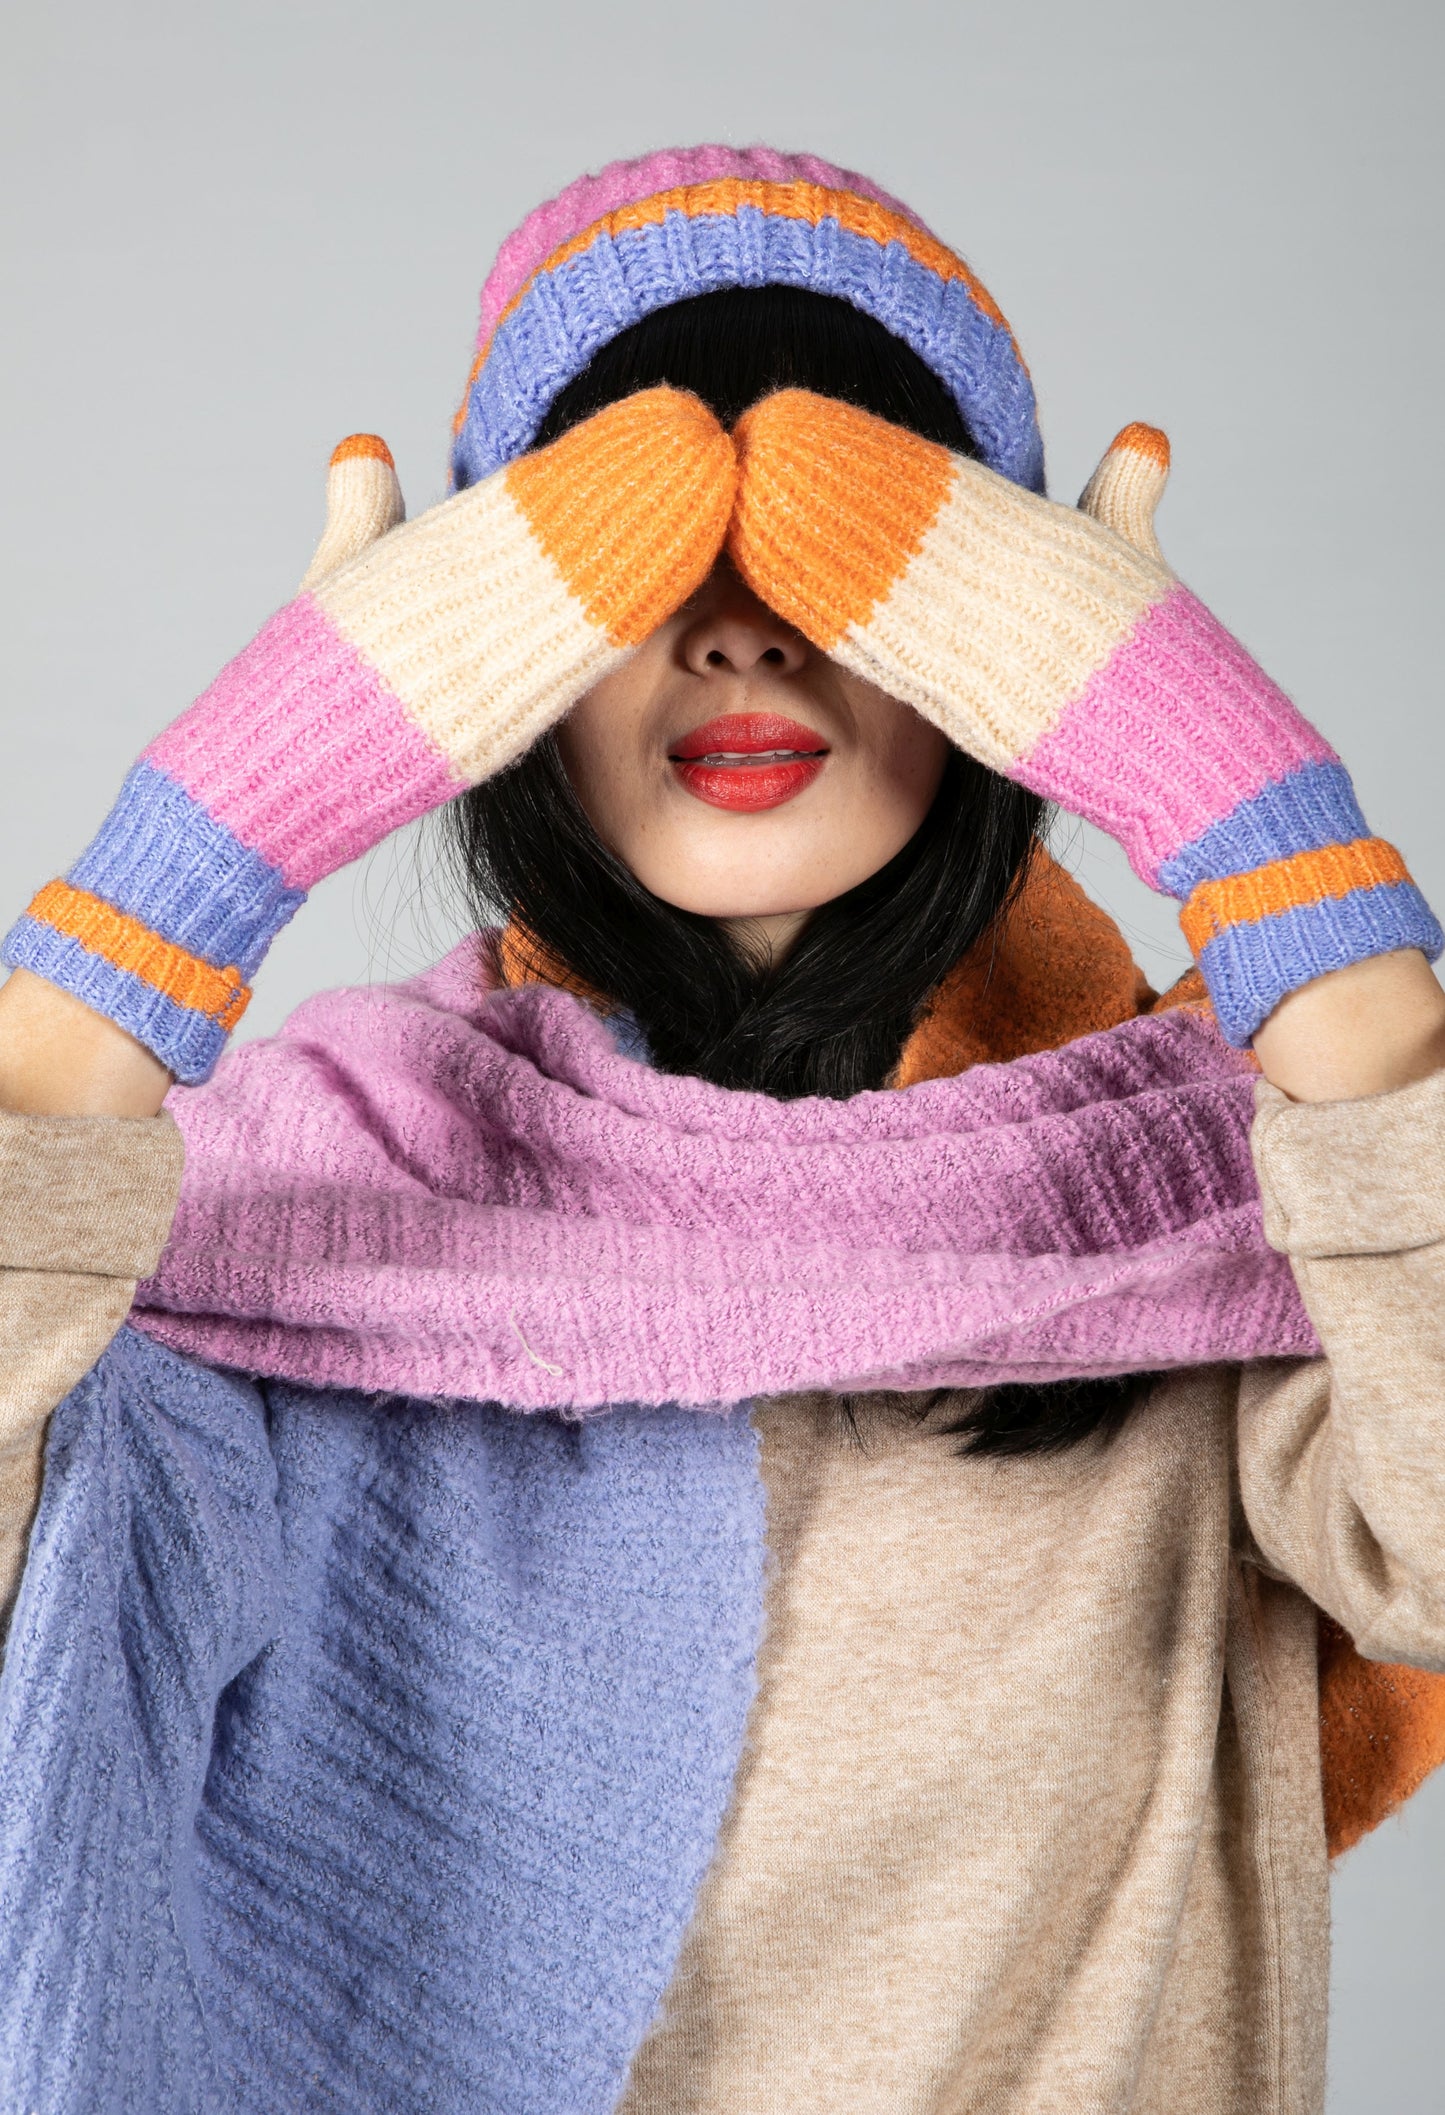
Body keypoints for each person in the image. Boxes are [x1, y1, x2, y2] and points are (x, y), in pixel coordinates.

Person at [1, 142, 1443, 2115]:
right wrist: (198, 852)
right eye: (642, 552)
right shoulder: (309, 1206)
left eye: (855, 547)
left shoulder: (1234, 1197)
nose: (744, 629)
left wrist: (1273, 845)